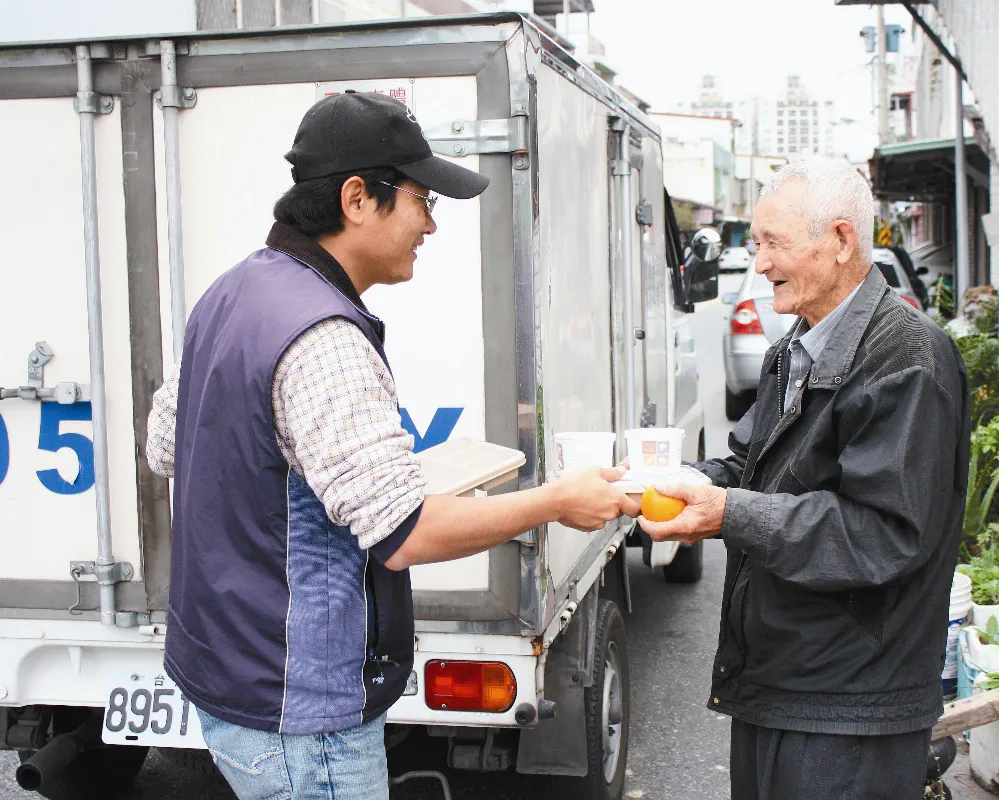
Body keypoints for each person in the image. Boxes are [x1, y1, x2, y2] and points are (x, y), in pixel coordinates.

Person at [146, 91, 639, 800]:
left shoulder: (231, 294)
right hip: (301, 714)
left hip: (231, 680)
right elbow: (404, 534)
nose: (431, 224)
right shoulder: (323, 338)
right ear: (356, 198)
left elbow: (171, 445)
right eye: (420, 199)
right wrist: (558, 500)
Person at [638, 157, 970, 800]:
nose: (757, 263)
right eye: (756, 243)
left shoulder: (907, 361)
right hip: (782, 683)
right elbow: (749, 466)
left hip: (851, 704)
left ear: (841, 240)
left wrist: (726, 511)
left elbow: (882, 533)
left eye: (772, 243)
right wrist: (671, 481)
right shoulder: (796, 347)